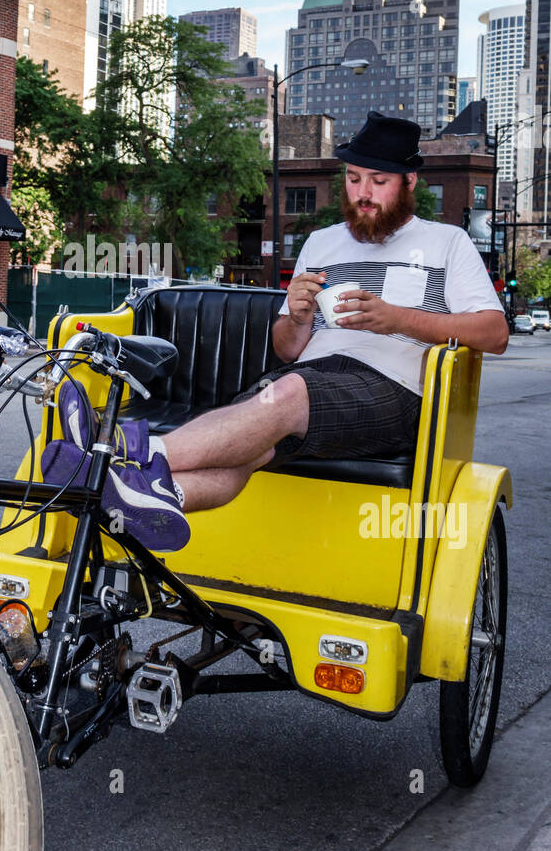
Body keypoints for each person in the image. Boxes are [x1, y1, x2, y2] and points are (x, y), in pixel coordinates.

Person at [43, 111, 508, 550]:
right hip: (312, 380)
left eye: (378, 181)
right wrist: (300, 314)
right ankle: (157, 498)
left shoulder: (447, 241)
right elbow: (287, 349)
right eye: (353, 179)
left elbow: (495, 333)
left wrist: (398, 319)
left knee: (286, 394)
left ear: (409, 182)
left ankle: (118, 449)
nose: (363, 193)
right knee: (244, 450)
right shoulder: (321, 242)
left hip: (396, 391)